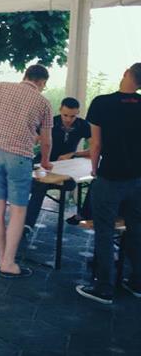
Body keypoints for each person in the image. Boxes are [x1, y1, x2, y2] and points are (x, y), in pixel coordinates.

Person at [0, 64, 53, 278]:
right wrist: (45, 161)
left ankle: (2, 258)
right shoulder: (44, 102)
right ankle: (8, 262)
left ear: (25, 75)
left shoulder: (1, 87)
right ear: (42, 82)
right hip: (20, 158)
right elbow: (46, 140)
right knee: (18, 211)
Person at [76, 63, 141, 304]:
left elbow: (96, 144)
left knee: (104, 231)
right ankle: (137, 283)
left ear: (126, 73)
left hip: (111, 175)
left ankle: (104, 288)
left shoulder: (102, 103)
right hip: (138, 179)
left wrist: (94, 168)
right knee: (137, 230)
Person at [26, 97, 91, 229]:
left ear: (78, 113)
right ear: (60, 110)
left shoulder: (83, 125)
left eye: (72, 116)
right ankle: (27, 224)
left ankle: (83, 215)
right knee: (40, 185)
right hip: (44, 160)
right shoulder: (50, 122)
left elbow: (95, 147)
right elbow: (32, 141)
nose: (68, 119)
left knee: (69, 184)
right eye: (65, 115)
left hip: (66, 165)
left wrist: (73, 154)